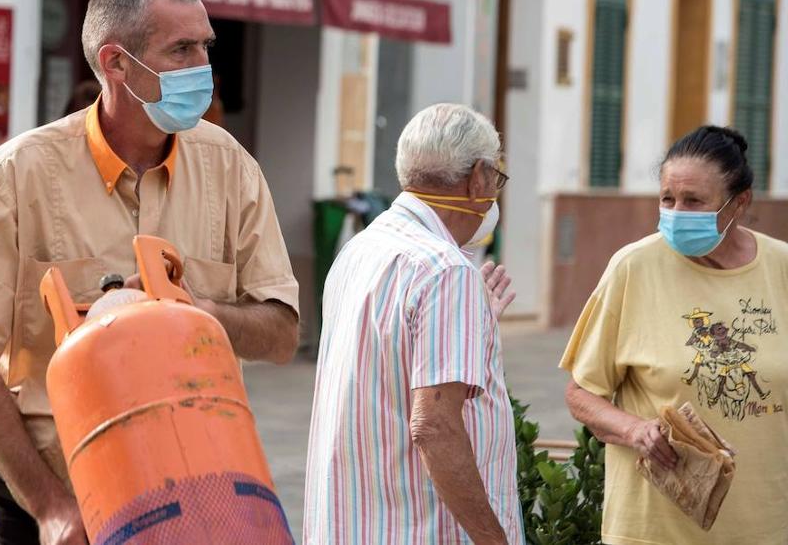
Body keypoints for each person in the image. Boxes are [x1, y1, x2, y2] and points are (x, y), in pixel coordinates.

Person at [0, 0, 300, 545]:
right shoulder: (16, 175)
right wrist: (50, 506)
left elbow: (281, 335)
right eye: (182, 49)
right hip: (60, 508)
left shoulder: (231, 167)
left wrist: (192, 314)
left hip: (199, 500)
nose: (204, 68)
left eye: (206, 46)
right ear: (117, 62)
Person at [304, 103, 522, 545]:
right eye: (495, 178)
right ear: (478, 178)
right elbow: (434, 427)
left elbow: (387, 366)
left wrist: (471, 325)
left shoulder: (361, 249)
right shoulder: (445, 271)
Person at [560, 125, 788, 545]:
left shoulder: (781, 267)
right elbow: (581, 393)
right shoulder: (633, 268)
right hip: (652, 531)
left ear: (740, 202)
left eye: (695, 201)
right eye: (668, 199)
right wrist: (634, 430)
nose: (677, 211)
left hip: (764, 529)